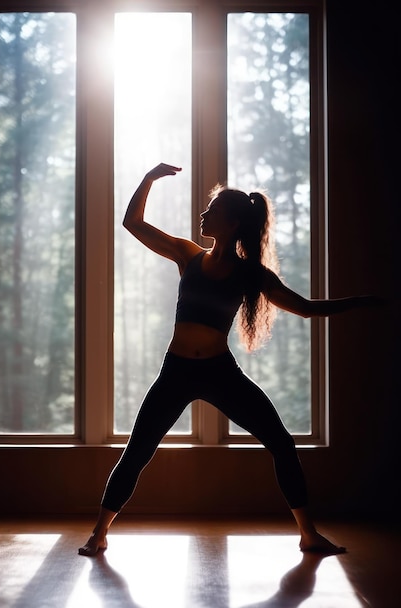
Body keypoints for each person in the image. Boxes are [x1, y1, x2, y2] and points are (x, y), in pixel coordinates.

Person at [79, 162, 381, 557]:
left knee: (281, 443)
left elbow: (305, 309)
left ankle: (309, 534)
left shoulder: (251, 274)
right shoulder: (188, 255)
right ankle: (99, 533)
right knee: (138, 450)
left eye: (213, 210)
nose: (204, 214)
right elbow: (133, 223)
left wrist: (360, 302)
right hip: (178, 371)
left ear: (234, 222)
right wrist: (150, 178)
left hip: (220, 373)